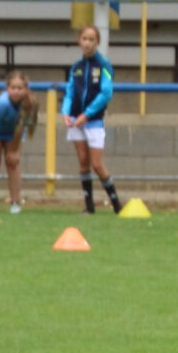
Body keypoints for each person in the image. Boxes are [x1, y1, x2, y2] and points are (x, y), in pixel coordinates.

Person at [62, 24, 121, 214]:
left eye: (91, 39)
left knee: (97, 163)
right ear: (79, 41)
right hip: (75, 120)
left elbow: (106, 92)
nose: (87, 43)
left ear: (97, 42)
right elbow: (70, 91)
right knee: (83, 161)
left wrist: (86, 114)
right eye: (84, 39)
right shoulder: (76, 67)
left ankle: (116, 204)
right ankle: (89, 206)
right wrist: (65, 112)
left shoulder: (104, 65)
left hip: (93, 121)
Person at [0, 70, 35, 215]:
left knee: (13, 163)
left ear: (26, 89)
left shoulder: (29, 104)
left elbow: (24, 126)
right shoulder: (2, 104)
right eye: (13, 88)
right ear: (7, 88)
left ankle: (15, 202)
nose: (16, 91)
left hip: (12, 131)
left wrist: (16, 150)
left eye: (20, 88)